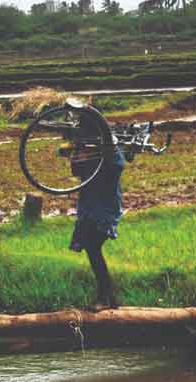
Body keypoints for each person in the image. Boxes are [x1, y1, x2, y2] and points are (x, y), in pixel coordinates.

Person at [67, 112, 125, 312]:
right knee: (92, 248)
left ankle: (104, 297)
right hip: (89, 204)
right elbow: (76, 171)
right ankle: (110, 297)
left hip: (105, 204)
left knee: (93, 246)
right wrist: (77, 154)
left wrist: (104, 154)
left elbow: (117, 167)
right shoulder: (86, 148)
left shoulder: (110, 148)